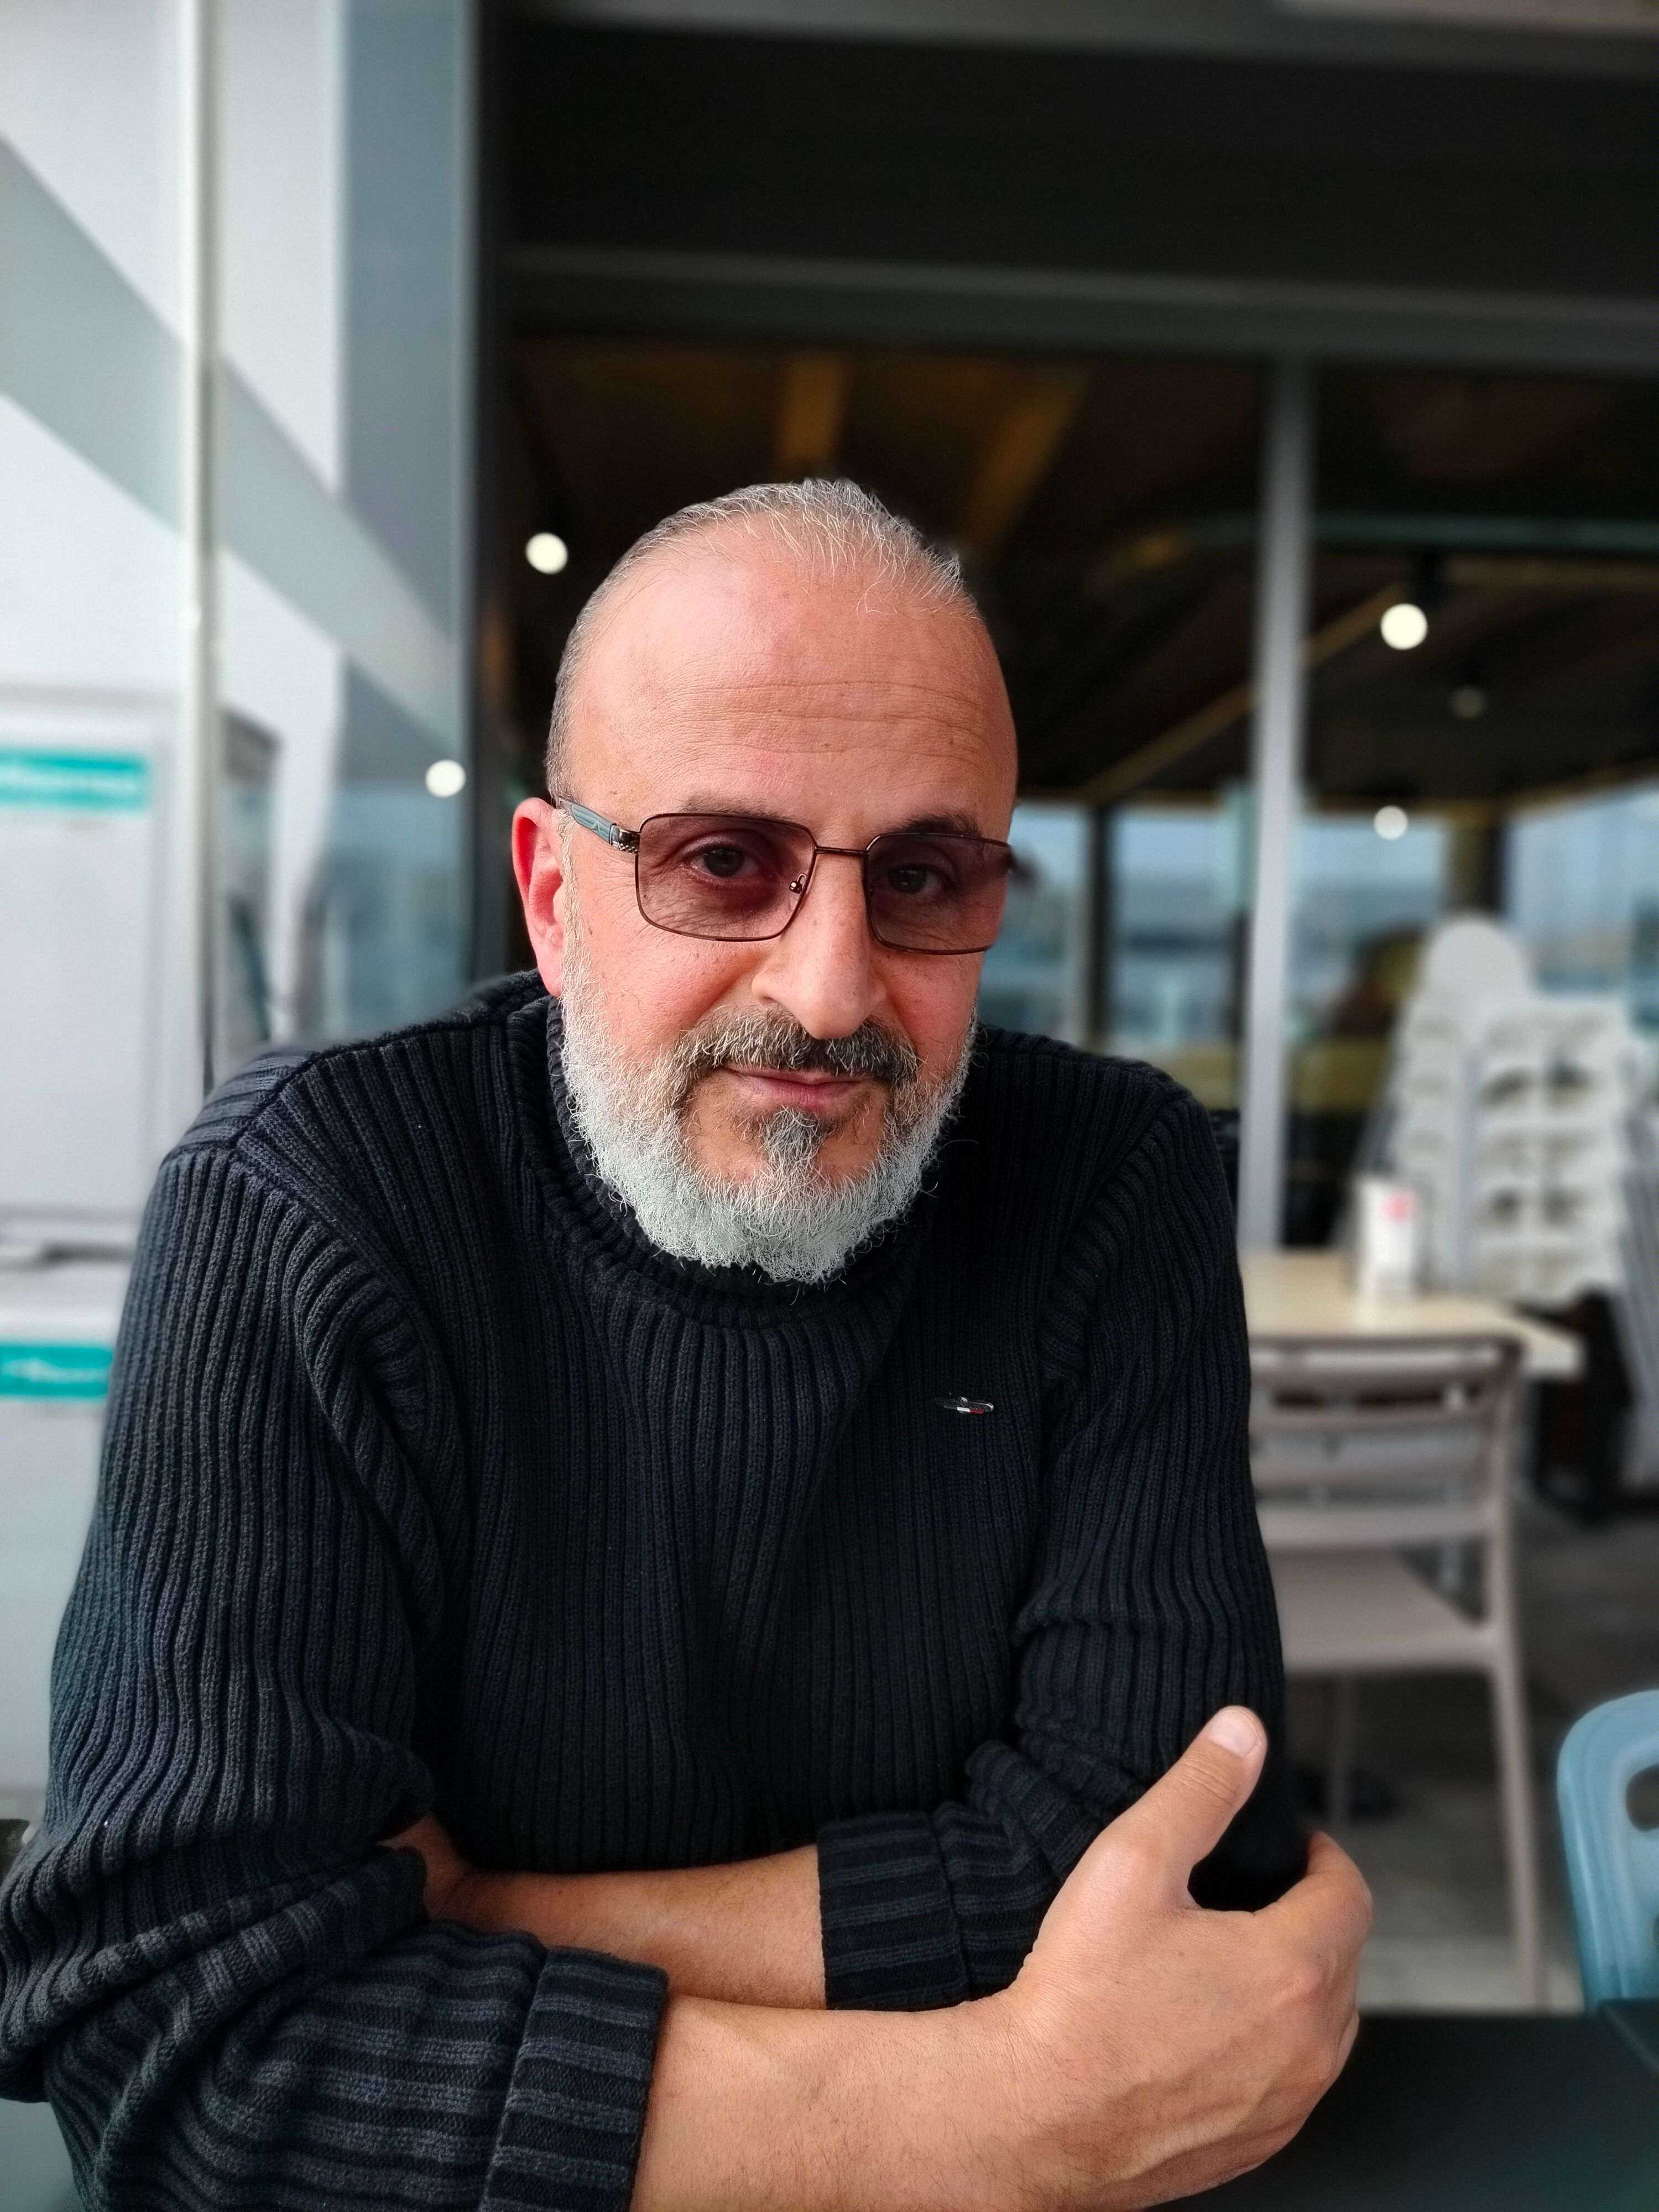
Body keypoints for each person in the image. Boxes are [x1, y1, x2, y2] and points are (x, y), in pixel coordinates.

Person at [0, 482, 1368, 2210]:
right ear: (552, 895)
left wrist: (474, 1917)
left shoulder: (1110, 1179)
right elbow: (179, 2044)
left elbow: (1186, 1868)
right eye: (724, 863)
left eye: (923, 876)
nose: (830, 989)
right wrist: (996, 2114)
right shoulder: (313, 1202)